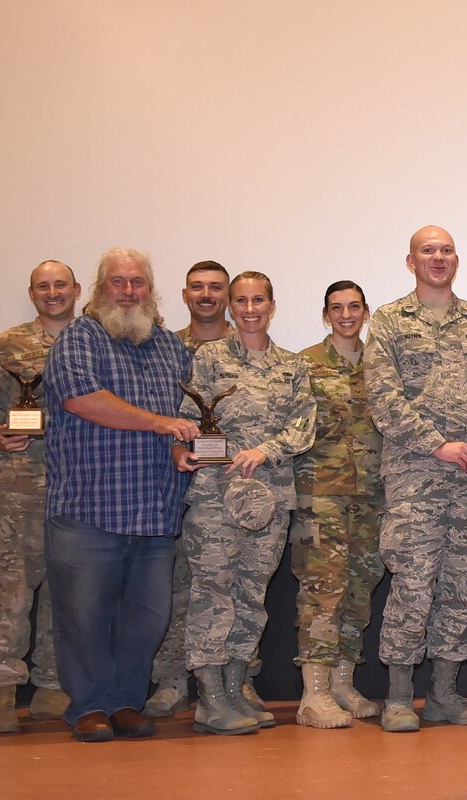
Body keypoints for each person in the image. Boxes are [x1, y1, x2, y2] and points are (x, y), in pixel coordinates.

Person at [43, 247, 199, 742]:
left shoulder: (171, 348)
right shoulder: (79, 338)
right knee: (84, 617)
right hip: (90, 508)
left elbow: (185, 415)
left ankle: (126, 701)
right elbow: (82, 399)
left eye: (137, 282)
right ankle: (88, 707)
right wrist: (160, 424)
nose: (128, 291)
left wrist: (179, 449)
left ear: (150, 290)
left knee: (145, 620)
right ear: (99, 288)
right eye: (118, 282)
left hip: (154, 509)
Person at [365, 225, 467, 732]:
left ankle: (445, 693)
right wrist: (440, 445)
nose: (438, 257)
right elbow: (384, 399)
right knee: (413, 582)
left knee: (464, 584)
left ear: (457, 259)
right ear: (411, 261)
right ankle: (401, 695)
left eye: (446, 250)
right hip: (415, 476)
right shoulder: (387, 321)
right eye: (428, 250)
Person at [172, 271, 314, 735]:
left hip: (269, 499)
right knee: (212, 593)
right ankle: (209, 698)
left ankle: (235, 689)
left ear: (272, 306)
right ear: (231, 307)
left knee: (251, 596)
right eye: (241, 301)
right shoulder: (208, 359)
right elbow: (191, 418)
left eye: (259, 300)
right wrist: (187, 448)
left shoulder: (292, 367)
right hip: (216, 495)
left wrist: (265, 450)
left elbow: (303, 426)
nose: (250, 309)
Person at [0, 260, 79, 734]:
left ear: (77, 290)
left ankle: (51, 687)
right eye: (44, 286)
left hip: (80, 491)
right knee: (13, 595)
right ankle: (1, 692)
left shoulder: (94, 342)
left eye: (61, 285)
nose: (53, 292)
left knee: (66, 597)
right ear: (32, 292)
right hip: (21, 490)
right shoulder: (8, 346)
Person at [291, 280, 385, 728]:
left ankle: (344, 684)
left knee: (360, 590)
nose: (346, 314)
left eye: (353, 307)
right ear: (325, 314)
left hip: (371, 494)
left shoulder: (381, 364)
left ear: (365, 312)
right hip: (321, 495)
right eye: (336, 308)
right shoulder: (305, 365)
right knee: (322, 591)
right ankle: (314, 693)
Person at [144, 260, 234, 718]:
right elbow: (155, 411)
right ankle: (171, 679)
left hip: (234, 491)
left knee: (234, 589)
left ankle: (238, 682)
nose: (206, 295)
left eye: (216, 287)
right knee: (177, 584)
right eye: (197, 287)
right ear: (184, 295)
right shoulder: (165, 348)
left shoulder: (248, 348)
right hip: (175, 483)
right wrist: (174, 452)